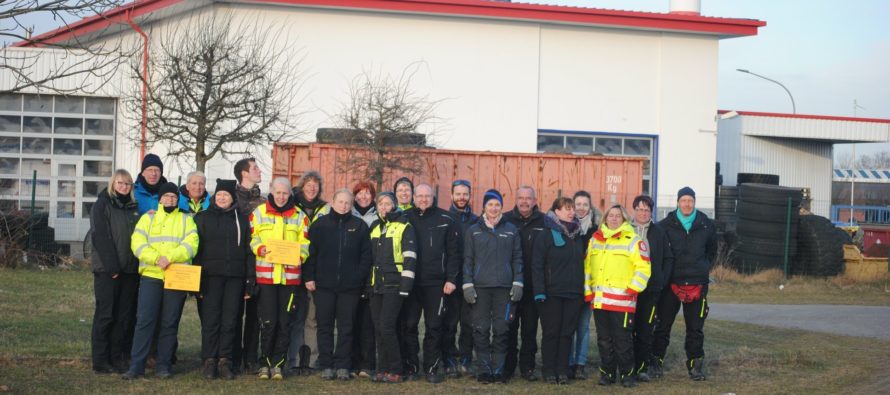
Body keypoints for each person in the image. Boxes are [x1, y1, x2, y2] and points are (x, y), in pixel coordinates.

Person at [123, 182, 199, 380]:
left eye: (174, 197)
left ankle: (163, 366)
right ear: (160, 199)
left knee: (169, 322)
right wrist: (157, 259)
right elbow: (137, 244)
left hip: (177, 276)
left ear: (178, 199)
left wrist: (170, 258)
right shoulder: (147, 219)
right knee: (145, 321)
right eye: (166, 196)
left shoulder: (186, 220)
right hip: (152, 275)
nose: (170, 200)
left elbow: (191, 245)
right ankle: (137, 365)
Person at [303, 189, 372, 381]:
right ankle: (326, 364)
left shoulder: (359, 226)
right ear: (332, 202)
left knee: (346, 327)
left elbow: (366, 257)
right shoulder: (320, 225)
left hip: (350, 288)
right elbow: (310, 254)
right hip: (324, 286)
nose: (343, 206)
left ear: (351, 205)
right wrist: (309, 277)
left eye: (347, 203)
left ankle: (343, 364)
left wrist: (358, 278)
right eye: (340, 202)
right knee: (324, 326)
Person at [652, 187, 716, 381]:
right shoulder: (664, 225)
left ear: (694, 202)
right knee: (662, 326)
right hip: (671, 284)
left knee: (695, 328)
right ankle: (656, 363)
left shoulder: (706, 224)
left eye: (690, 200)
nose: (687, 204)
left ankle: (695, 366)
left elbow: (712, 252)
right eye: (683, 200)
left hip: (697, 284)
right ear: (678, 202)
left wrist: (703, 268)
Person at [193, 180, 255, 380]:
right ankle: (209, 360)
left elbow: (249, 251)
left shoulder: (243, 220)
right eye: (219, 195)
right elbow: (196, 251)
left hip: (235, 278)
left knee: (230, 320)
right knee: (211, 320)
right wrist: (196, 280)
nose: (222, 198)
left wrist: (249, 280)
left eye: (226, 195)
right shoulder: (202, 218)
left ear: (232, 198)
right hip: (210, 278)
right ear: (214, 196)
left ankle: (225, 360)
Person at [250, 177, 310, 380]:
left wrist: (299, 256)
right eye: (278, 192)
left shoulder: (300, 216)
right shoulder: (258, 213)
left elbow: (305, 243)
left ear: (290, 194)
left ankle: (278, 364)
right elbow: (253, 238)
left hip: (290, 278)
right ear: (271, 191)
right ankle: (265, 363)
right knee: (268, 321)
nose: (282, 196)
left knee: (285, 322)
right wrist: (260, 248)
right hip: (266, 277)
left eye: (285, 193)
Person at [584, 205, 651, 388]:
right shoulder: (595, 240)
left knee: (622, 341)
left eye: (617, 216)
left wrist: (633, 288)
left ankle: (627, 375)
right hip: (600, 302)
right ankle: (607, 374)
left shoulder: (634, 241)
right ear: (605, 218)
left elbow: (643, 268)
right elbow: (587, 268)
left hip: (623, 302)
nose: (613, 219)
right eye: (610, 216)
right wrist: (588, 292)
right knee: (604, 341)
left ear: (624, 219)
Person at [462, 189, 523, 385]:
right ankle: (484, 370)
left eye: (497, 205)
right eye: (490, 204)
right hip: (480, 288)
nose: (494, 208)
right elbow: (468, 260)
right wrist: (467, 284)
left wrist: (518, 282)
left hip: (504, 288)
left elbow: (517, 258)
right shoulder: (474, 230)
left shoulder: (511, 230)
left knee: (501, 329)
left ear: (501, 207)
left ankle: (498, 370)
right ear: (484, 207)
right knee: (480, 329)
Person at [403, 184, 461, 383]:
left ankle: (432, 368)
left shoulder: (446, 219)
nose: (424, 199)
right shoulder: (404, 218)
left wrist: (451, 279)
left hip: (436, 284)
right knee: (409, 325)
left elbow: (454, 253)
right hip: (410, 282)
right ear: (414, 197)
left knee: (434, 326)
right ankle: (411, 367)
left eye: (427, 196)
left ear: (433, 197)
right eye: (420, 196)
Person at [90, 169, 140, 374]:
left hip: (130, 270)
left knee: (124, 316)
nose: (124, 187)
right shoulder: (102, 204)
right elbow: (100, 236)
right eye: (120, 183)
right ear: (113, 184)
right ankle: (100, 360)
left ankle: (117, 357)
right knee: (106, 315)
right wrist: (112, 267)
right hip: (108, 270)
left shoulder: (132, 208)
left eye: (128, 184)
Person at [533, 197, 585, 385]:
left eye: (572, 209)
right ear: (556, 212)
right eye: (566, 209)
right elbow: (537, 265)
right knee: (551, 332)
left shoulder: (579, 235)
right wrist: (539, 291)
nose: (571, 212)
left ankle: (562, 370)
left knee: (567, 333)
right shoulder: (546, 234)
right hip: (551, 294)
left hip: (573, 293)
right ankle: (548, 370)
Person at [368, 192, 417, 383]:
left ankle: (397, 369)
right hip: (376, 285)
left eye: (388, 203)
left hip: (394, 284)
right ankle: (382, 368)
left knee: (387, 327)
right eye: (381, 203)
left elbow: (410, 257)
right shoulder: (374, 227)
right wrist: (367, 284)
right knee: (378, 328)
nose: (384, 207)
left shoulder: (404, 226)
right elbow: (369, 260)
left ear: (394, 206)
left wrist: (405, 285)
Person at [289, 170, 330, 375]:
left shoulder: (326, 209)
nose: (312, 187)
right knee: (296, 316)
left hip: (317, 271)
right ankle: (294, 359)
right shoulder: (292, 208)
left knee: (312, 318)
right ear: (302, 186)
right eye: (308, 184)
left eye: (316, 184)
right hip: (294, 269)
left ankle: (311, 360)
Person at [502, 186, 545, 381]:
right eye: (521, 197)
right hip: (509, 285)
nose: (525, 201)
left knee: (529, 330)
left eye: (528, 198)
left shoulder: (544, 221)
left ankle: (527, 367)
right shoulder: (505, 219)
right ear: (516, 199)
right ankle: (508, 366)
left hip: (533, 286)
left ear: (535, 200)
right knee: (509, 328)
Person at [630, 195, 673, 382]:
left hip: (651, 290)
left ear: (651, 212)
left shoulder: (658, 232)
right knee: (626, 330)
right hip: (629, 290)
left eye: (646, 210)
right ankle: (626, 366)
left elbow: (668, 258)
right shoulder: (625, 230)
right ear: (634, 210)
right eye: (639, 209)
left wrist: (661, 279)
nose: (643, 212)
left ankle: (642, 367)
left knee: (645, 330)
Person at [233, 157, 265, 374]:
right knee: (234, 314)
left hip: (258, 265)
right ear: (244, 173)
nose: (259, 171)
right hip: (235, 265)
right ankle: (233, 358)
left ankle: (251, 358)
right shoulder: (230, 198)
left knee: (255, 316)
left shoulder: (264, 201)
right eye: (255, 168)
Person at [448, 179, 477, 376]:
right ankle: (449, 358)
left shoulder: (477, 220)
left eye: (465, 194)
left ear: (469, 196)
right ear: (451, 195)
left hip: (470, 280)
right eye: (458, 194)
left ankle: (466, 358)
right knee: (449, 322)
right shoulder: (444, 217)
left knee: (469, 323)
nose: (461, 197)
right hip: (449, 280)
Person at [350, 181, 377, 378]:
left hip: (373, 273)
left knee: (368, 321)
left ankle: (367, 364)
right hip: (352, 273)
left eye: (367, 193)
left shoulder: (379, 214)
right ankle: (351, 361)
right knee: (351, 320)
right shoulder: (348, 213)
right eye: (359, 193)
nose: (363, 197)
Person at [568, 190, 596, 380]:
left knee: (583, 327)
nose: (581, 208)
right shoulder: (566, 228)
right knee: (569, 326)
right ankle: (568, 362)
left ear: (590, 207)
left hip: (588, 285)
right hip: (569, 285)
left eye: (585, 204)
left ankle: (580, 363)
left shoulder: (596, 230)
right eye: (578, 204)